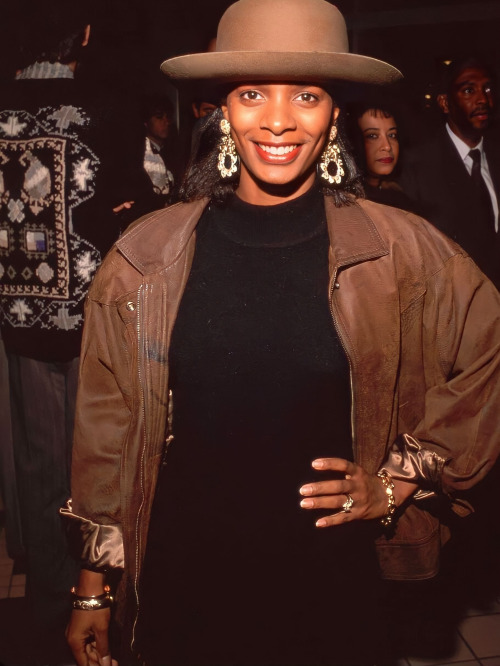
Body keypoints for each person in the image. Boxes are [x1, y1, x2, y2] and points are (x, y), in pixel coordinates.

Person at [63, 1, 500, 665]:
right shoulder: (147, 255)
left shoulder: (402, 250)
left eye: (305, 94)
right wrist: (94, 590)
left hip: (334, 581)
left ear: (334, 113)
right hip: (186, 574)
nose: (276, 119)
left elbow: (488, 352)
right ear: (223, 109)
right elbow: (107, 427)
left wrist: (400, 477)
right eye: (251, 94)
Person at [0, 3, 128, 660]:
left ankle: (50, 602)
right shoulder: (105, 111)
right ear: (81, 35)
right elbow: (153, 195)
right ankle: (100, 599)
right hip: (92, 327)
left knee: (38, 466)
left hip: (19, 326)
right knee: (96, 468)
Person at [400, 56, 500, 288]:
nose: (482, 99)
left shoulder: (495, 154)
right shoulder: (415, 165)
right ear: (445, 103)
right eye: (468, 90)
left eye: (487, 88)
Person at [349, 102, 413, 210]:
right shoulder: (346, 200)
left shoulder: (399, 196)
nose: (387, 146)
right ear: (352, 141)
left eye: (392, 135)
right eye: (372, 136)